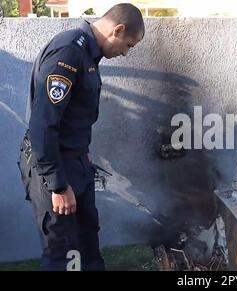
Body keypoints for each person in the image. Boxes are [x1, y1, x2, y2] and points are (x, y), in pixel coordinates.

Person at [17, 3, 144, 271]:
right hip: (53, 167)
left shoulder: (86, 53)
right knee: (63, 253)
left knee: (87, 242)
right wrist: (58, 185)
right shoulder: (69, 52)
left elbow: (72, 117)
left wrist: (81, 154)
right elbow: (43, 123)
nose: (125, 53)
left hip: (75, 162)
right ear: (117, 29)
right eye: (128, 45)